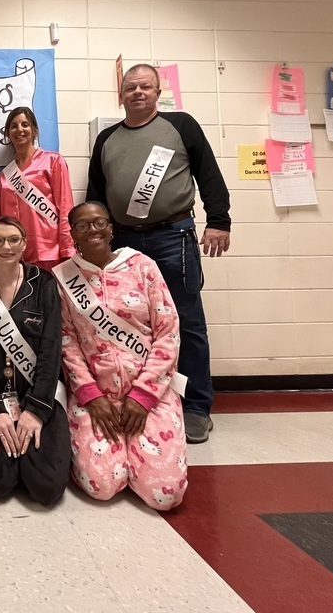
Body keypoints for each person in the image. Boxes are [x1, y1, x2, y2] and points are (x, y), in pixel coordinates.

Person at [86, 63, 231, 444]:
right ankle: (140, 398)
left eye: (144, 87)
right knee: (130, 325)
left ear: (157, 92)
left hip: (173, 236)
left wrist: (219, 220)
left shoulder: (181, 125)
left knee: (185, 321)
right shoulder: (106, 139)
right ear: (121, 94)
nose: (136, 92)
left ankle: (197, 406)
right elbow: (96, 197)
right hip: (122, 244)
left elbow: (210, 176)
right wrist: (94, 242)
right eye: (130, 87)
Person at [54, 201, 187, 511]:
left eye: (99, 223)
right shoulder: (64, 277)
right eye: (83, 226)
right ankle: (121, 459)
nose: (92, 230)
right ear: (73, 233)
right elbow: (67, 341)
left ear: (111, 228)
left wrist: (143, 395)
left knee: (164, 496)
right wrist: (91, 395)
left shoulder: (143, 266)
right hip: (97, 396)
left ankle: (139, 460)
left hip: (151, 392)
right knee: (100, 486)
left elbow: (168, 331)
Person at [0, 217, 71, 506]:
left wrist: (35, 410)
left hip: (38, 395)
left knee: (47, 487)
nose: (6, 246)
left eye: (13, 239)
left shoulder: (44, 283)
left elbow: (52, 348)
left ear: (24, 244)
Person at [0, 107, 74, 270]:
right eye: (14, 126)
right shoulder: (3, 176)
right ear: (8, 133)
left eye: (25, 124)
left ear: (35, 130)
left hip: (49, 252)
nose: (20, 130)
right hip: (13, 254)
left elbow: (66, 208)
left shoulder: (53, 161)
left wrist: (67, 249)